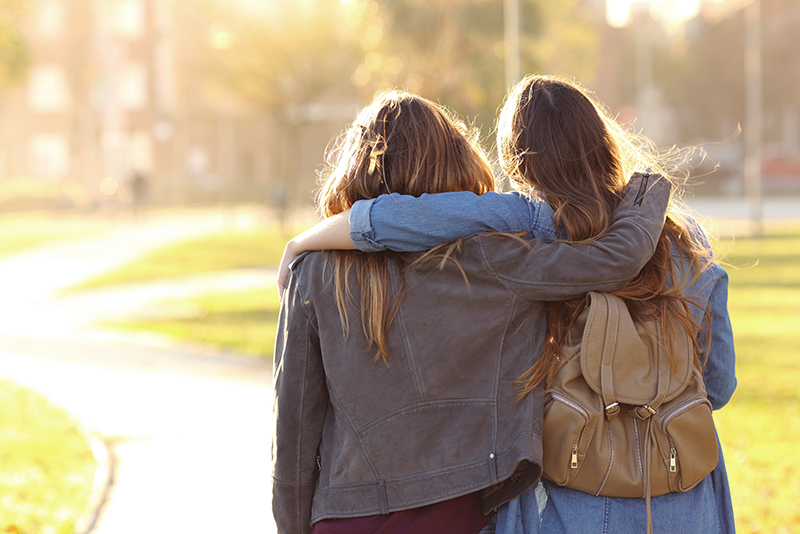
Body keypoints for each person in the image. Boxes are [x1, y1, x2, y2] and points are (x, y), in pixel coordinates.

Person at [276, 76, 736, 534]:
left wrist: (306, 240)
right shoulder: (684, 241)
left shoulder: (524, 226)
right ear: (605, 142)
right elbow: (717, 383)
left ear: (520, 166)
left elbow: (410, 215)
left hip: (566, 486)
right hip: (683, 484)